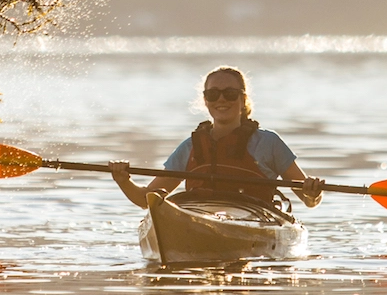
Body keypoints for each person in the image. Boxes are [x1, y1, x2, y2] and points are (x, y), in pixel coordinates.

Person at [110, 66, 325, 211]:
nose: (221, 100)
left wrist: (313, 192)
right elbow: (146, 198)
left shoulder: (269, 143)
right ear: (205, 100)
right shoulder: (189, 147)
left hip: (252, 217)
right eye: (213, 94)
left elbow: (308, 200)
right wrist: (123, 180)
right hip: (197, 216)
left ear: (242, 99)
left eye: (230, 94)